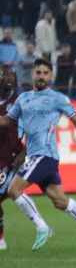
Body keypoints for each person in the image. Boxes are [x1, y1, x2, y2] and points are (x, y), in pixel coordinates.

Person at [0, 58, 76, 252]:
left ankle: (43, 227)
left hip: (45, 155)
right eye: (38, 72)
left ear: (50, 76)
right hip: (36, 156)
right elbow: (7, 122)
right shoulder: (23, 98)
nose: (41, 76)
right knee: (60, 201)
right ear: (33, 74)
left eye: (45, 73)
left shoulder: (57, 98)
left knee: (13, 189)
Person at [0, 66, 27, 250]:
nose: (10, 79)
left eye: (13, 76)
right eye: (6, 75)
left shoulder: (19, 100)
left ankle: (1, 238)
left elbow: (7, 124)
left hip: (9, 155)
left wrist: (22, 153)